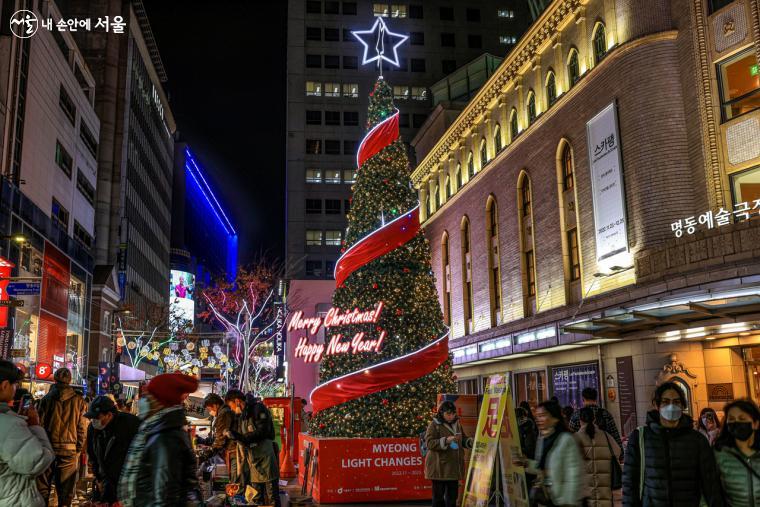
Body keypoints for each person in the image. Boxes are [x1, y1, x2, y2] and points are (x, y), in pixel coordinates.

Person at [622, 382, 723, 507]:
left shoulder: (697, 440)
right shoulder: (640, 438)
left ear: (682, 405)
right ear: (656, 405)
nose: (671, 406)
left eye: (676, 402)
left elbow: (710, 484)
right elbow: (629, 484)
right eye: (665, 401)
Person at [118, 372, 199, 507]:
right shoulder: (157, 431)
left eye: (149, 396)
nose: (144, 400)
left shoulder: (165, 438)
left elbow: (165, 495)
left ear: (160, 401)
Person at [0, 360, 55, 506]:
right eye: (15, 384)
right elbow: (37, 462)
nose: (15, 388)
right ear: (4, 385)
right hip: (13, 500)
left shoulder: (10, 421)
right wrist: (35, 426)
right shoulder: (9, 425)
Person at [37, 367, 88, 507]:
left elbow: (39, 424)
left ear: (55, 379)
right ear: (70, 381)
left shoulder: (46, 400)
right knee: (65, 492)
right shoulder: (79, 401)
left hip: (48, 448)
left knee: (43, 488)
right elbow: (82, 428)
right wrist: (77, 448)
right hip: (69, 450)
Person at [520, 400, 584, 507]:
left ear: (554, 418)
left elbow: (574, 474)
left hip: (563, 500)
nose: (538, 419)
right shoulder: (542, 439)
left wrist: (570, 501)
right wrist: (526, 463)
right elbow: (542, 466)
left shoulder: (566, 440)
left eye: (542, 415)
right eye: (537, 416)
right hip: (546, 497)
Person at [225, 390, 281, 507]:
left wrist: (240, 437)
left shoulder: (257, 409)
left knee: (271, 494)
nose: (232, 409)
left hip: (265, 456)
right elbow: (243, 437)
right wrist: (234, 436)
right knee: (255, 496)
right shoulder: (243, 416)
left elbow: (262, 431)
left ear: (237, 401)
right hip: (253, 458)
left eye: (232, 406)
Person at [84, 395, 140, 505]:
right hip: (106, 481)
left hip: (127, 483)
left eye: (96, 417)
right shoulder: (93, 428)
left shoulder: (131, 424)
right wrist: (98, 478)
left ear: (109, 415)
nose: (93, 421)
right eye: (92, 418)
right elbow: (92, 454)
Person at [424, 401, 474, 507]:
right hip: (439, 468)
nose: (451, 416)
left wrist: (469, 442)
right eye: (448, 414)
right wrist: (445, 441)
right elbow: (429, 443)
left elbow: (462, 438)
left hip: (453, 467)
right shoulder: (434, 425)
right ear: (441, 413)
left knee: (452, 499)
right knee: (438, 499)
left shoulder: (457, 424)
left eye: (453, 413)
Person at [713, 399, 760, 506]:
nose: (736, 423)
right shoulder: (719, 454)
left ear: (755, 424)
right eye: (732, 419)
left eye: (742, 419)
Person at [574, 407, 621, 507]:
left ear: (580, 421)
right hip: (605, 493)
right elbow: (618, 451)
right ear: (594, 419)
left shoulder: (574, 439)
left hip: (584, 494)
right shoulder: (606, 435)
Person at [199, 393, 235, 461]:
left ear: (215, 405)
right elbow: (218, 435)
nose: (210, 412)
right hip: (230, 450)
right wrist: (204, 441)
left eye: (209, 409)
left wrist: (211, 451)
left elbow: (220, 437)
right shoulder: (223, 412)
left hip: (232, 451)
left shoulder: (224, 413)